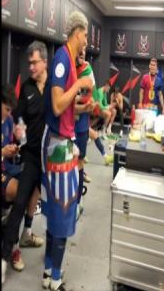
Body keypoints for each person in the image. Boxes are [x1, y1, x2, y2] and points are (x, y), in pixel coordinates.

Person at [41, 10, 93, 291]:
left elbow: (67, 107)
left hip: (62, 141)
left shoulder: (70, 61)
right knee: (63, 209)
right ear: (78, 33)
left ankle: (49, 271)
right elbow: (58, 104)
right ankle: (56, 279)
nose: (86, 41)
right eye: (85, 35)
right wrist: (80, 84)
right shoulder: (63, 59)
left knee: (57, 209)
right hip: (58, 145)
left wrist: (83, 107)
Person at [1, 42, 49, 282]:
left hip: (50, 156)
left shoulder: (55, 86)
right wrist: (20, 129)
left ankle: (30, 235)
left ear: (45, 63)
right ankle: (3, 258)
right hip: (30, 155)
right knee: (20, 201)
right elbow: (19, 116)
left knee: (46, 201)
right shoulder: (27, 88)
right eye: (29, 62)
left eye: (34, 62)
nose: (30, 67)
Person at [74, 46, 95, 218]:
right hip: (65, 125)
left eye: (84, 50)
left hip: (80, 125)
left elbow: (89, 97)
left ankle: (78, 201)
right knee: (66, 163)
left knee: (79, 162)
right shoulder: (67, 66)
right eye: (79, 49)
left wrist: (75, 99)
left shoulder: (88, 70)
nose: (82, 52)